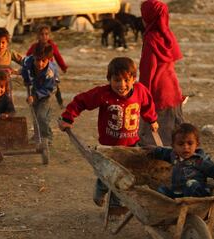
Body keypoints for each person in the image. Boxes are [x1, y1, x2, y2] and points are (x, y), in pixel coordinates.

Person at [58, 57, 159, 207]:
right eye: (117, 80)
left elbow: (147, 105)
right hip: (110, 146)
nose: (122, 85)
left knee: (126, 174)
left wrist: (152, 120)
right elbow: (81, 101)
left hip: (131, 143)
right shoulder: (103, 94)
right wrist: (68, 117)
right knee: (108, 172)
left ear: (133, 79)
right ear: (109, 79)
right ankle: (101, 190)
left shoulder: (140, 91)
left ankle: (116, 203)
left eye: (126, 80)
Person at [138, 0, 185, 146]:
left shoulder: (151, 38)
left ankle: (161, 166)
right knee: (175, 133)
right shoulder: (166, 35)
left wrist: (141, 97)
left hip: (158, 94)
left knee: (156, 139)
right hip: (173, 91)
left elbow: (147, 71)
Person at [149, 123, 214, 198]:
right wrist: (153, 150)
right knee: (161, 190)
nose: (185, 147)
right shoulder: (173, 155)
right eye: (181, 144)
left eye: (190, 143)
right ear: (173, 146)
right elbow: (163, 152)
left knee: (191, 184)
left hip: (194, 191)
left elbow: (211, 168)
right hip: (177, 192)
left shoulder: (199, 160)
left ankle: (208, 193)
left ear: (197, 145)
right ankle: (169, 206)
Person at [22, 42, 59, 145]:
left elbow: (48, 89)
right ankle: (37, 135)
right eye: (38, 60)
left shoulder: (50, 72)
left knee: (42, 116)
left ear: (49, 59)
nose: (40, 63)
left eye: (44, 60)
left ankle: (47, 137)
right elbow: (24, 68)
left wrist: (34, 96)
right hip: (36, 87)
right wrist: (26, 80)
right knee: (34, 113)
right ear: (33, 57)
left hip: (48, 92)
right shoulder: (27, 61)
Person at [26, 24, 67, 109]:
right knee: (37, 85)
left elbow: (58, 57)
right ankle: (36, 102)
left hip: (49, 71)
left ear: (49, 35)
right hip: (38, 70)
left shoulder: (52, 46)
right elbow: (27, 57)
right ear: (37, 36)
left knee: (55, 87)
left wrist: (63, 67)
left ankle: (60, 103)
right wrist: (25, 68)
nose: (44, 36)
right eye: (41, 34)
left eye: (46, 34)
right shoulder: (35, 46)